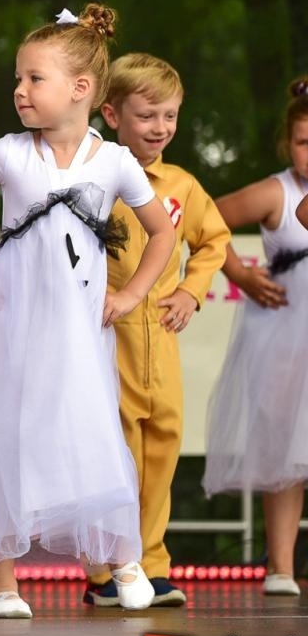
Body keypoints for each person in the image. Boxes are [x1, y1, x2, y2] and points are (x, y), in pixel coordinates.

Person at [0, 5, 174, 618]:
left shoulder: (116, 162)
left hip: (78, 327)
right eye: (18, 78)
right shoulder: (10, 154)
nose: (19, 90)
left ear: (81, 89)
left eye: (33, 79)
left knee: (89, 425)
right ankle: (3, 585)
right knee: (6, 433)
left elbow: (162, 234)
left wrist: (129, 295)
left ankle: (124, 559)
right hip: (12, 325)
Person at [79, 54, 230, 608]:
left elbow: (214, 239)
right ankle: (103, 572)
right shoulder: (92, 174)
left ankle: (151, 563)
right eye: (147, 115)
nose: (160, 127)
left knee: (161, 449)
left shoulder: (183, 186)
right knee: (110, 455)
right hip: (106, 337)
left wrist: (191, 290)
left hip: (160, 339)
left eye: (169, 116)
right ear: (112, 114)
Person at [203, 76, 308, 597]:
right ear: (287, 144)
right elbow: (209, 219)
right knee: (287, 444)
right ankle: (282, 567)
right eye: (304, 142)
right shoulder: (277, 191)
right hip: (288, 334)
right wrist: (241, 274)